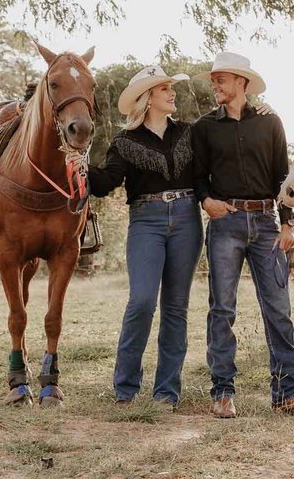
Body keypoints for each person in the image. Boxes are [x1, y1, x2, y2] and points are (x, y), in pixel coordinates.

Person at [192, 52, 294, 417]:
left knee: (279, 311)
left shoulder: (271, 122)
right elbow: (199, 175)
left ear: (241, 83)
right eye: (213, 79)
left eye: (222, 79)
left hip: (266, 224)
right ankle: (222, 393)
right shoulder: (204, 127)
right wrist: (207, 201)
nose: (215, 84)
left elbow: (283, 174)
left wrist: (286, 223)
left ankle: (286, 393)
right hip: (225, 224)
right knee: (222, 309)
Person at [89, 66, 203, 409]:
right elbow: (107, 182)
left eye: (171, 88)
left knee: (175, 307)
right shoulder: (125, 142)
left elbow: (222, 140)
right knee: (141, 301)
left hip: (187, 218)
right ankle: (125, 388)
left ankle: (167, 392)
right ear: (147, 97)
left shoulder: (189, 133)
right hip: (146, 221)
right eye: (165, 88)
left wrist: (258, 112)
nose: (173, 93)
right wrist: (78, 164)